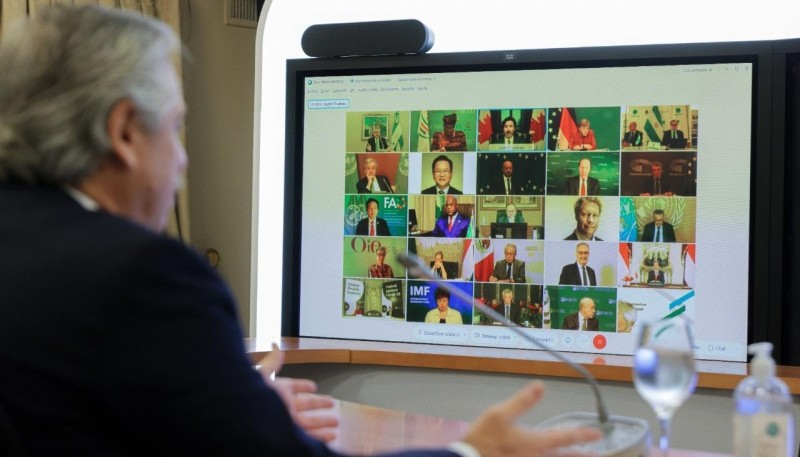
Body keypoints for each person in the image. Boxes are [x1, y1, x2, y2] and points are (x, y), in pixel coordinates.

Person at [0, 6, 604, 457]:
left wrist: (236, 410)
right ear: (127, 132)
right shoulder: (143, 276)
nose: (182, 162)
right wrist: (474, 452)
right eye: (176, 132)